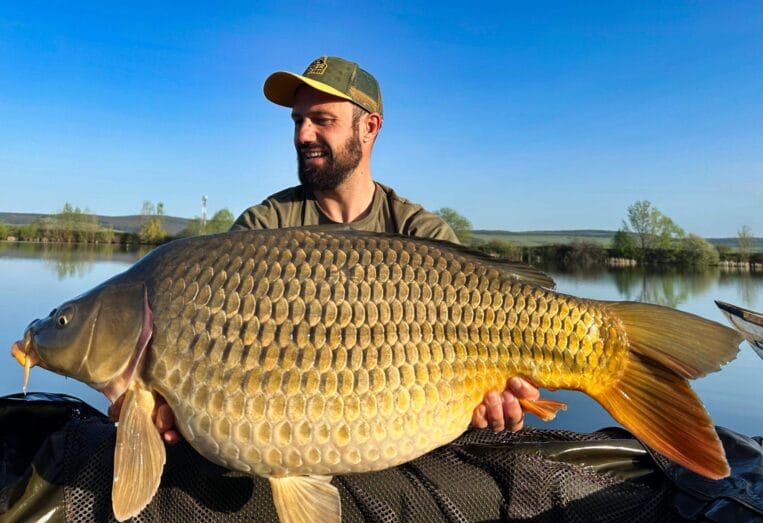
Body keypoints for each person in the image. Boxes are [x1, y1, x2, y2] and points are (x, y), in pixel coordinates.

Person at [113, 55, 541, 443]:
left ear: (369, 127)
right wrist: (172, 404)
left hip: (396, 441)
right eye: (297, 120)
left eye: (322, 120)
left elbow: (480, 388)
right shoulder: (260, 229)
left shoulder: (421, 234)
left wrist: (500, 405)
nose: (303, 134)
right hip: (289, 441)